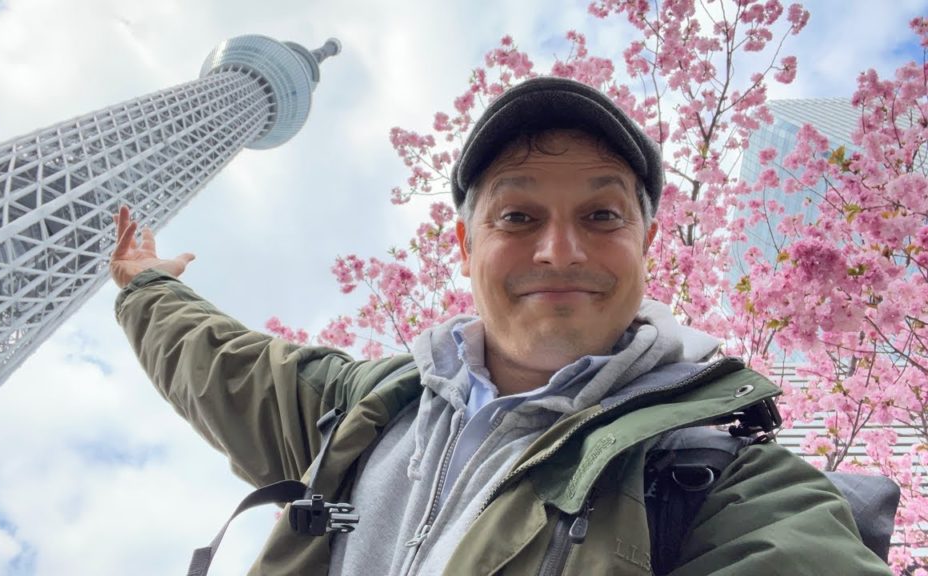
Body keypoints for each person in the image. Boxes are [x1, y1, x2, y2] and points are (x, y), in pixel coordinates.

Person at [110, 77, 892, 575]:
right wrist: (145, 285)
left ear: (647, 245)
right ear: (466, 244)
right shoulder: (361, 411)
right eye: (518, 214)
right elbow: (221, 364)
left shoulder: (723, 481)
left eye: (601, 214)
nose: (560, 250)